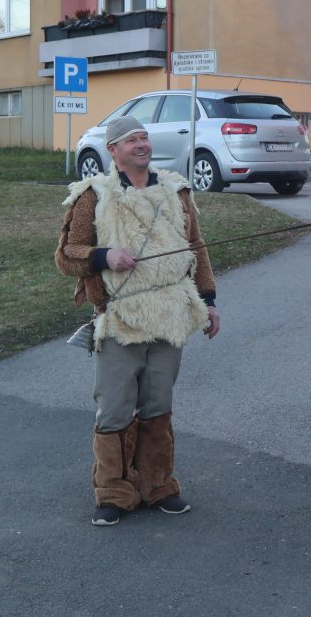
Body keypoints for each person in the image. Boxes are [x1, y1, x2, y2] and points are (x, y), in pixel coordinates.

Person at [55, 115, 221, 526]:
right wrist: (103, 256)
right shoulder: (93, 196)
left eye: (144, 138)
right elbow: (65, 255)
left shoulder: (176, 192)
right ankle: (113, 492)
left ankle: (158, 486)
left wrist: (209, 300)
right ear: (113, 150)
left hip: (170, 315)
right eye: (131, 140)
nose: (141, 145)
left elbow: (196, 247)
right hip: (121, 318)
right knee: (114, 409)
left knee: (157, 405)